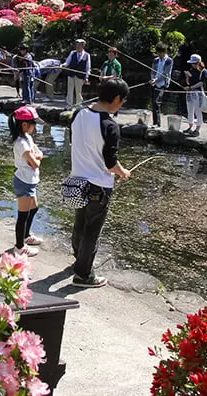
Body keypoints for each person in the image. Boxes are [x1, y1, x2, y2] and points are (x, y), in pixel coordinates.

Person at [69, 78, 131, 288]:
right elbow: (110, 162)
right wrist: (123, 172)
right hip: (98, 185)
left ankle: (79, 260)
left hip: (76, 179)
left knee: (80, 222)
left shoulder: (78, 114)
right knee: (92, 231)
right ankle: (83, 275)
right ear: (116, 99)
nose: (121, 105)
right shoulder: (110, 125)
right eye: (122, 101)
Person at [9, 105, 46, 257]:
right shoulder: (21, 143)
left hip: (30, 180)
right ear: (24, 124)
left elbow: (39, 152)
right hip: (24, 181)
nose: (35, 127)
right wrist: (37, 157)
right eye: (33, 124)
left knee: (34, 208)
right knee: (22, 215)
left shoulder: (27, 138)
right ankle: (19, 247)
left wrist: (37, 155)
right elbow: (35, 162)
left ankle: (26, 236)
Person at [183, 54, 207, 137]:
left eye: (194, 63)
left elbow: (201, 82)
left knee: (198, 111)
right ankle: (190, 127)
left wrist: (191, 87)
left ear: (198, 63)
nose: (192, 65)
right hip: (190, 93)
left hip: (199, 94)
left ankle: (197, 129)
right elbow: (188, 82)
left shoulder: (203, 71)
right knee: (190, 110)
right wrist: (187, 77)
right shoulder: (191, 70)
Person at [150, 45, 174, 127]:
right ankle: (155, 123)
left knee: (157, 102)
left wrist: (156, 80)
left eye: (160, 53)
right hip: (154, 84)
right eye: (157, 53)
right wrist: (152, 79)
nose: (159, 54)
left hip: (163, 84)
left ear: (164, 52)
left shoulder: (169, 61)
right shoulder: (155, 60)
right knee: (153, 103)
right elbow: (152, 71)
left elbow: (165, 74)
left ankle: (157, 123)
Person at [62, 39, 91, 106]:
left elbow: (88, 67)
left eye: (79, 45)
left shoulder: (87, 55)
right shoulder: (72, 53)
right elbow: (67, 62)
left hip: (80, 76)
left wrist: (87, 77)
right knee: (70, 90)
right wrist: (63, 65)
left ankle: (78, 105)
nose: (77, 47)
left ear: (83, 46)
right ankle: (69, 104)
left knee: (78, 92)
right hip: (71, 74)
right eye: (76, 45)